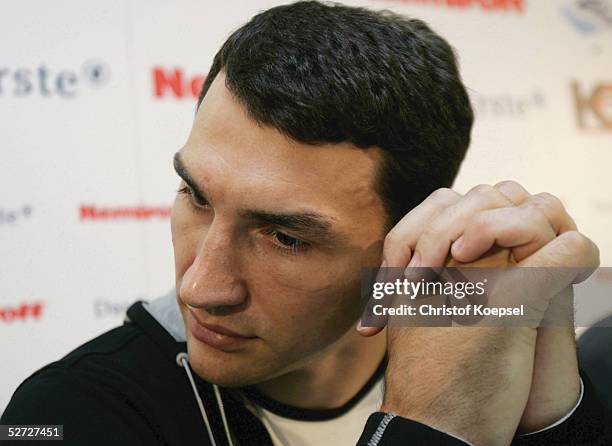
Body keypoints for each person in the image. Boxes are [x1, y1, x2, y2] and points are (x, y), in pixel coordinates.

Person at [2, 1, 611, 444]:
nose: (201, 287)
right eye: (196, 194)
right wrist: (427, 434)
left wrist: (558, 423)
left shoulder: (486, 340)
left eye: (286, 237)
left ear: (410, 232)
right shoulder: (71, 413)